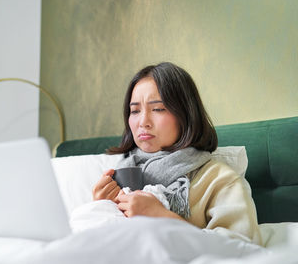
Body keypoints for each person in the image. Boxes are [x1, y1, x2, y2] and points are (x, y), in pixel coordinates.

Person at [91, 62, 262, 245]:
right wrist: (102, 208)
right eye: (135, 111)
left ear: (186, 114)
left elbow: (244, 247)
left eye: (157, 109)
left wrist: (162, 216)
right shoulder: (121, 175)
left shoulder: (219, 180)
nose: (143, 122)